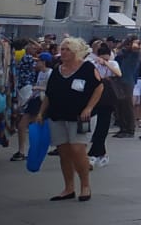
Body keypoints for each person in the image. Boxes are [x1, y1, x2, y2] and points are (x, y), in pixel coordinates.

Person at [35, 37, 104, 202]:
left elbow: (99, 87)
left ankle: (85, 185)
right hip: (58, 115)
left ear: (75, 52)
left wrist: (89, 107)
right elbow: (49, 94)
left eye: (67, 49)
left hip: (81, 117)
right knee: (64, 152)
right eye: (62, 49)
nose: (63, 52)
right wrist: (41, 113)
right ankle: (68, 188)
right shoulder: (58, 70)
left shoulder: (87, 68)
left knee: (78, 149)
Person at [86, 43, 121, 168]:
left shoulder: (113, 63)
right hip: (95, 94)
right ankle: (100, 152)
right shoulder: (92, 64)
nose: (105, 60)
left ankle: (94, 153)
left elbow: (118, 74)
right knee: (94, 124)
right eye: (103, 58)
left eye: (107, 58)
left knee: (103, 125)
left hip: (108, 96)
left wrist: (107, 64)